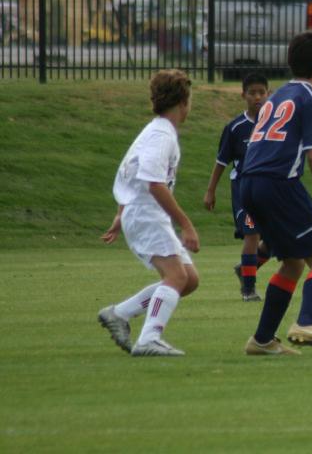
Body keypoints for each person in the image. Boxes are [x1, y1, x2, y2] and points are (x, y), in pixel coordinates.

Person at [240, 30, 312, 356]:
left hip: (249, 183)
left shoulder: (274, 97)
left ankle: (262, 340)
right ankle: (307, 322)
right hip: (279, 184)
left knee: (292, 263)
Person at [98, 69, 200, 357]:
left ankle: (119, 313)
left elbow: (130, 171)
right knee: (176, 277)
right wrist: (186, 224)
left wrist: (120, 214)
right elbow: (154, 183)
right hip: (146, 214)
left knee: (188, 279)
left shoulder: (156, 130)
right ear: (184, 102)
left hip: (141, 213)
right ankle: (148, 339)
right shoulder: (161, 136)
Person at [203, 73, 272, 301]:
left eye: (262, 92)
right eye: (252, 93)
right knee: (251, 235)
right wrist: (211, 190)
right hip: (244, 190)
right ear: (243, 95)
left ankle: (245, 268)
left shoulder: (275, 125)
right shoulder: (235, 128)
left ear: (268, 94)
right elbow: (221, 161)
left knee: (276, 238)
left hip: (269, 189)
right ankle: (249, 289)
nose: (257, 97)